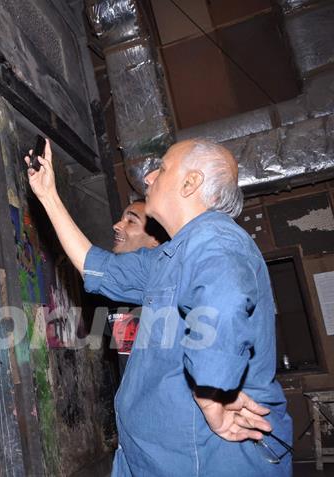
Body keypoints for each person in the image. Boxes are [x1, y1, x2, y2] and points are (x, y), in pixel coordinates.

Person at [26, 138, 292, 476]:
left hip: (200, 459)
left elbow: (224, 301)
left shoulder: (216, 239)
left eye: (163, 168)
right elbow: (97, 267)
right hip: (157, 458)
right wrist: (48, 195)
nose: (149, 177)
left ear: (190, 182)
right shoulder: (170, 257)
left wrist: (212, 393)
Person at [106, 200, 169, 376]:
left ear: (156, 241)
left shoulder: (164, 288)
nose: (117, 225)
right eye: (121, 219)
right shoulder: (116, 288)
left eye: (131, 221)